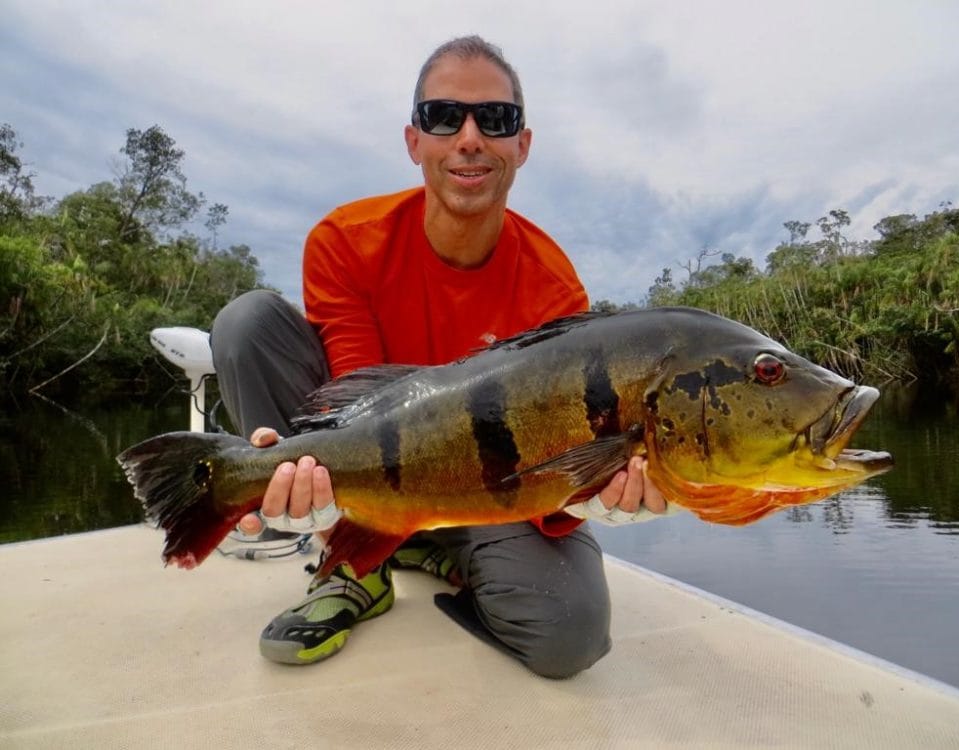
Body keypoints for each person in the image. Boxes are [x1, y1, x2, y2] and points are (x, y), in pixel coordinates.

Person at [210, 35, 666, 680]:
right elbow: (355, 398)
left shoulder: (555, 289)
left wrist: (595, 491)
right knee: (247, 321)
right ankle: (348, 565)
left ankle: (443, 549)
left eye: (495, 119)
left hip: (491, 484)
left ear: (522, 145)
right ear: (414, 140)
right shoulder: (345, 240)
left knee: (571, 639)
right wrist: (302, 472)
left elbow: (556, 456)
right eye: (444, 116)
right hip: (373, 464)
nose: (470, 137)